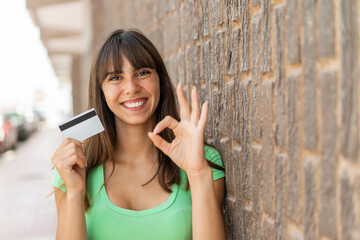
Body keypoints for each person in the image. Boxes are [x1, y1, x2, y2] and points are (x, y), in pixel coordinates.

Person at [51, 29, 226, 240]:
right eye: (116, 77)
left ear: (160, 80)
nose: (131, 88)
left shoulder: (202, 161)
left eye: (142, 72)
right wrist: (75, 192)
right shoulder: (74, 169)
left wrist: (198, 173)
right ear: (101, 91)